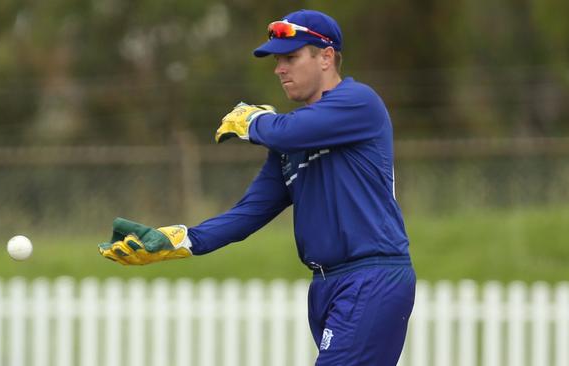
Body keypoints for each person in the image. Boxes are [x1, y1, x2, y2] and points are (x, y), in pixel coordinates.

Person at [98, 9, 415, 365]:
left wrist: (254, 120)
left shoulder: (359, 102)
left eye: (291, 58)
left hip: (370, 277)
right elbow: (249, 213)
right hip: (326, 285)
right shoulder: (288, 141)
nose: (280, 69)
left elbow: (285, 130)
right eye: (278, 60)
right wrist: (182, 239)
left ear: (326, 57)